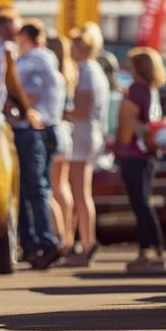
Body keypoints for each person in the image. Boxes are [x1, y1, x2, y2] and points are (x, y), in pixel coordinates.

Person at [13, 19, 66, 269]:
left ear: (26, 36)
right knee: (37, 188)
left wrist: (12, 104)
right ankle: (38, 243)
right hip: (47, 128)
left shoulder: (32, 60)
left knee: (33, 188)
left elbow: (29, 94)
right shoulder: (48, 58)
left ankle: (43, 242)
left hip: (32, 129)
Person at [115, 48, 166, 274]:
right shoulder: (151, 90)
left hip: (133, 154)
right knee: (143, 203)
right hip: (146, 154)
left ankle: (150, 250)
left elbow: (127, 124)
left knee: (140, 204)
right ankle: (151, 250)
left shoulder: (136, 89)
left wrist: (122, 143)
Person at [62, 23, 110, 266]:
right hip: (88, 135)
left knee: (80, 193)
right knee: (81, 192)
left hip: (82, 136)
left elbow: (81, 111)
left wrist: (59, 113)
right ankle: (81, 242)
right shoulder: (94, 70)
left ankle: (87, 243)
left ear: (82, 47)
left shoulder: (87, 71)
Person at [45, 31, 76, 257]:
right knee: (62, 187)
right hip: (66, 133)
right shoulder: (70, 71)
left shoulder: (52, 73)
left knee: (51, 188)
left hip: (54, 131)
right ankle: (68, 236)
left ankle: (60, 237)